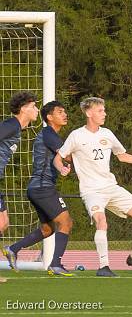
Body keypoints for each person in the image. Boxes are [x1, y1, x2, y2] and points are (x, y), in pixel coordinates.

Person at [56, 97, 132, 277]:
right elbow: (58, 157)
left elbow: (122, 156)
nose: (104, 113)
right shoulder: (76, 135)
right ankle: (104, 267)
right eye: (100, 111)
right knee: (101, 221)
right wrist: (62, 168)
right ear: (88, 113)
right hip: (91, 191)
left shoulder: (107, 133)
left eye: (104, 110)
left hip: (111, 187)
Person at [3, 101, 74, 276]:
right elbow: (68, 155)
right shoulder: (49, 133)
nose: (64, 115)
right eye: (60, 112)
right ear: (49, 117)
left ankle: (13, 248)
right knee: (66, 222)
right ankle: (55, 264)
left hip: (37, 188)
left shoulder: (50, 135)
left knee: (48, 229)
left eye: (65, 111)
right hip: (43, 187)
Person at [0, 92, 39, 283]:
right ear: (23, 108)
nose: (37, 110)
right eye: (33, 106)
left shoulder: (17, 128)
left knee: (3, 223)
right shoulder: (12, 125)